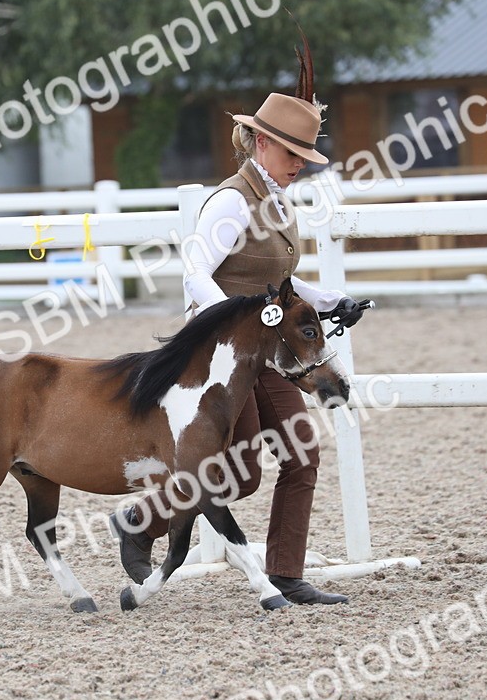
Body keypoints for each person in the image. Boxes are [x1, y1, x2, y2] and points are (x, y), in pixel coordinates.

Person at [112, 83, 369, 605]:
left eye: (306, 156)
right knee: (239, 475)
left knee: (302, 454)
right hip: (221, 361)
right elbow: (195, 273)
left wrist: (331, 301)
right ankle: (141, 521)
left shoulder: (277, 202)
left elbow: (279, 287)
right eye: (293, 153)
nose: (300, 164)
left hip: (270, 354)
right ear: (260, 143)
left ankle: (285, 575)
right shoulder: (232, 200)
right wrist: (224, 331)